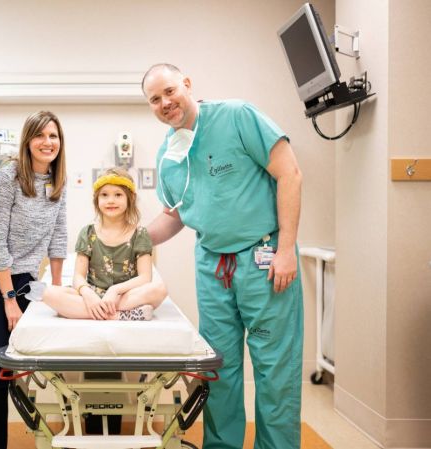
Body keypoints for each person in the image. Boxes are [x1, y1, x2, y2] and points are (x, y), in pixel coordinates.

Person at [142, 63, 304, 449]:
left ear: (186, 84)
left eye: (169, 91)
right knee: (219, 369)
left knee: (274, 371)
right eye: (155, 99)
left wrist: (286, 250)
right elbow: (176, 216)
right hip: (213, 266)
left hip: (264, 258)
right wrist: (126, 241)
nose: (165, 103)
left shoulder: (237, 116)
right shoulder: (170, 153)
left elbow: (290, 173)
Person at [0, 110, 68, 449]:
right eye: (40, 135)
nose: (47, 142)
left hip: (23, 280)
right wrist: (8, 299)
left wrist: (56, 286)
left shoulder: (57, 181)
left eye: (53, 136)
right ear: (28, 141)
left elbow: (59, 237)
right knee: (1, 369)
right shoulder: (9, 177)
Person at [26, 167, 166, 321]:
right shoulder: (88, 233)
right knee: (47, 292)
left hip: (125, 295)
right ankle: (119, 315)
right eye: (104, 195)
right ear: (96, 200)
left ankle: (85, 311)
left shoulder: (140, 234)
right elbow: (78, 276)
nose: (110, 200)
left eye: (118, 195)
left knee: (159, 289)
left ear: (130, 199)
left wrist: (114, 290)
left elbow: (145, 278)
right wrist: (87, 294)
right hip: (93, 294)